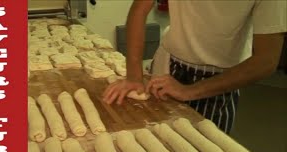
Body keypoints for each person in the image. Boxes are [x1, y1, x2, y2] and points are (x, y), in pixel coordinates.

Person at [103, 0, 287, 133]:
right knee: (150, 140)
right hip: (167, 68)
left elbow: (266, 60)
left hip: (219, 82)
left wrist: (189, 91)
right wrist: (134, 76)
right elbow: (139, 9)